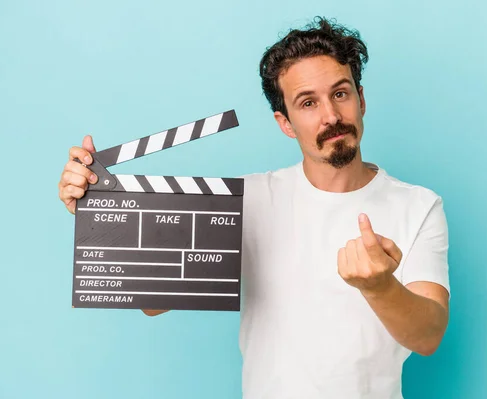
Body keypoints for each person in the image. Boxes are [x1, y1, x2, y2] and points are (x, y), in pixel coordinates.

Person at [58, 16, 450, 399]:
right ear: (285, 122)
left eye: (340, 94)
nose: (331, 115)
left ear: (361, 99)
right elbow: (155, 304)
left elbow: (428, 335)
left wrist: (379, 287)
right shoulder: (246, 200)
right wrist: (100, 214)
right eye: (308, 102)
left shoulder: (418, 205)